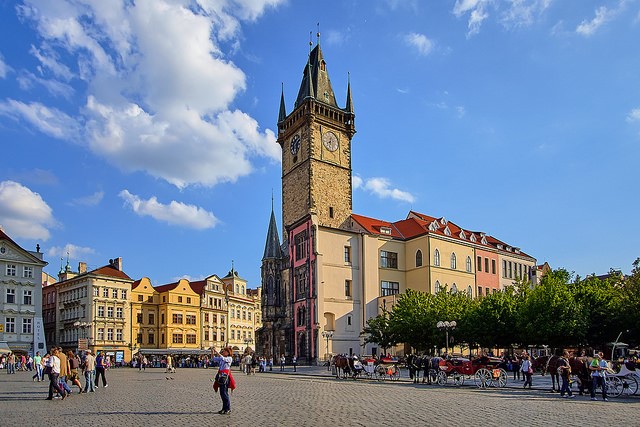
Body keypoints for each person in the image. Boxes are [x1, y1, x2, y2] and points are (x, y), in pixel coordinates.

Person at [211, 347, 236, 415]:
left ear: (228, 352)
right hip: (221, 376)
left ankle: (228, 408)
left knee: (225, 393)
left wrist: (216, 351)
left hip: (225, 377)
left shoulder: (229, 358)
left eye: (224, 351)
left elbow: (222, 358)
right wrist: (212, 351)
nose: (223, 352)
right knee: (222, 393)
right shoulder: (222, 358)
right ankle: (223, 408)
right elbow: (213, 358)